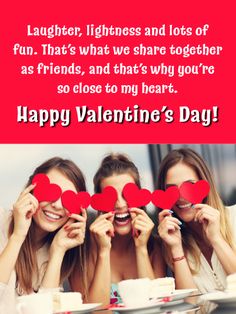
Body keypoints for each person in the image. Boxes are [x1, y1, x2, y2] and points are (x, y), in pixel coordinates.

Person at [71, 153, 165, 305]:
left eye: (127, 195)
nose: (120, 204)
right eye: (112, 197)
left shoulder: (155, 246)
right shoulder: (82, 251)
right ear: (100, 203)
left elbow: (156, 307)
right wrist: (103, 251)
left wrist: (141, 248)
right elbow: (96, 312)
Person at [0, 157, 87, 312]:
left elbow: (46, 311)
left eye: (69, 199)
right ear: (31, 190)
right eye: (50, 192)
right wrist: (18, 236)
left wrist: (58, 251)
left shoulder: (56, 246)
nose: (57, 205)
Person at [157, 148, 236, 293]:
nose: (181, 196)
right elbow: (190, 305)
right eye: (172, 189)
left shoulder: (234, 217)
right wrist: (176, 248)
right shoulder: (171, 243)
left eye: (190, 185)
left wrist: (216, 238)